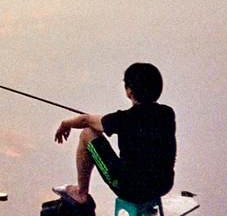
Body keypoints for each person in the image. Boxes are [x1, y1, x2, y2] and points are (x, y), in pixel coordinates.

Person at [52, 62, 176, 206]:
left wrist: (64, 124)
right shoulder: (167, 113)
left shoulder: (124, 119)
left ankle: (81, 193)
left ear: (129, 91)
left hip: (130, 189)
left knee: (88, 133)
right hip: (163, 185)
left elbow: (86, 120)